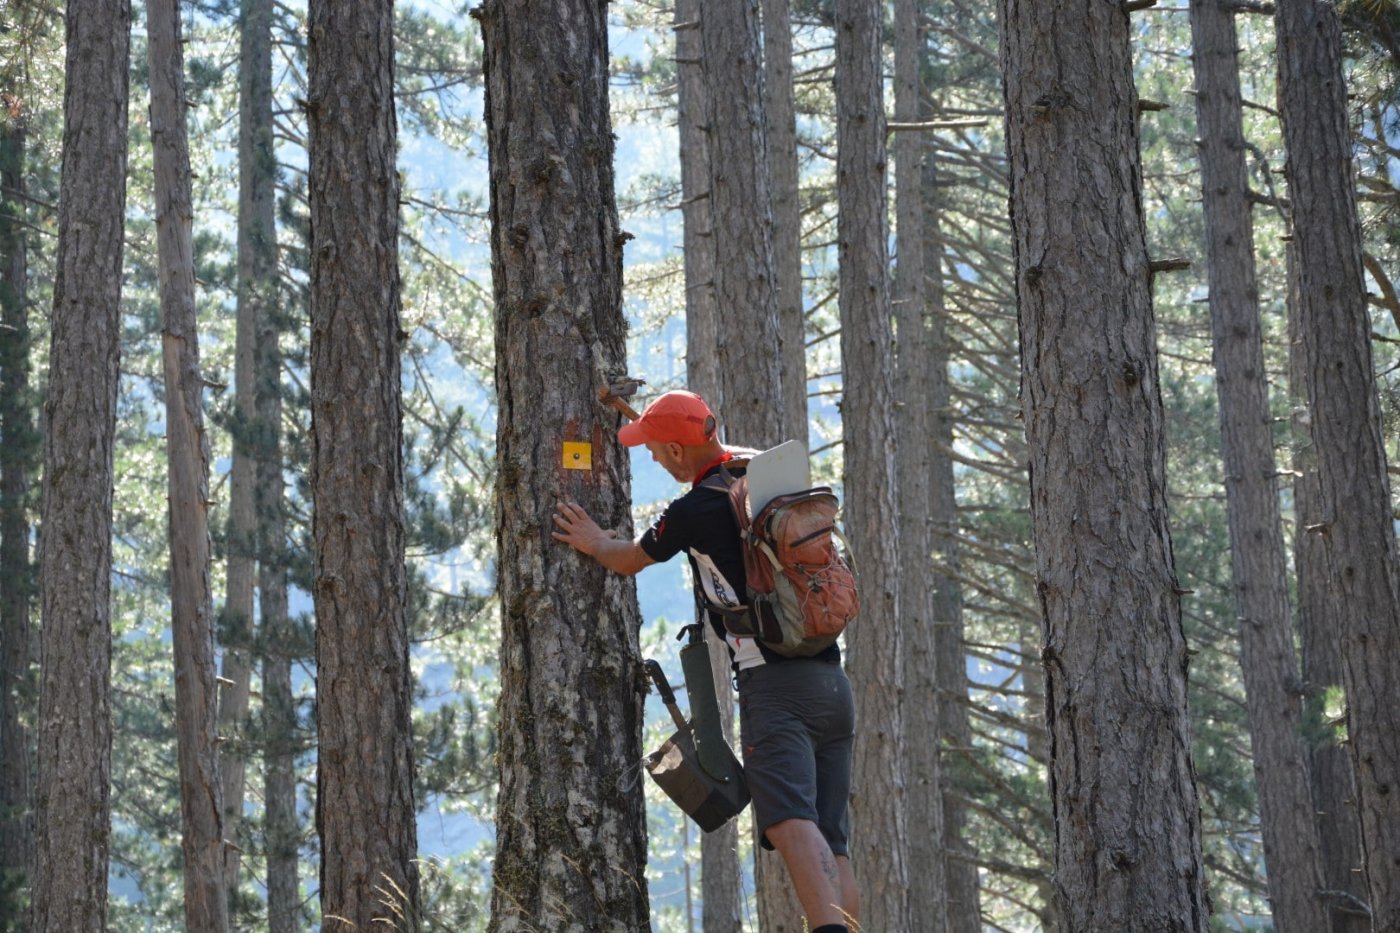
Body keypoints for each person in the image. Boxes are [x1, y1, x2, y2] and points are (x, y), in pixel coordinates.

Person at [551, 390, 858, 933]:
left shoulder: (693, 511)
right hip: (832, 682)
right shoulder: (761, 476)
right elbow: (708, 450)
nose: (649, 458)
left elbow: (628, 560)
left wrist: (596, 540)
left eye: (653, 449)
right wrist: (645, 418)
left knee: (790, 824)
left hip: (774, 686)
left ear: (674, 449)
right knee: (832, 841)